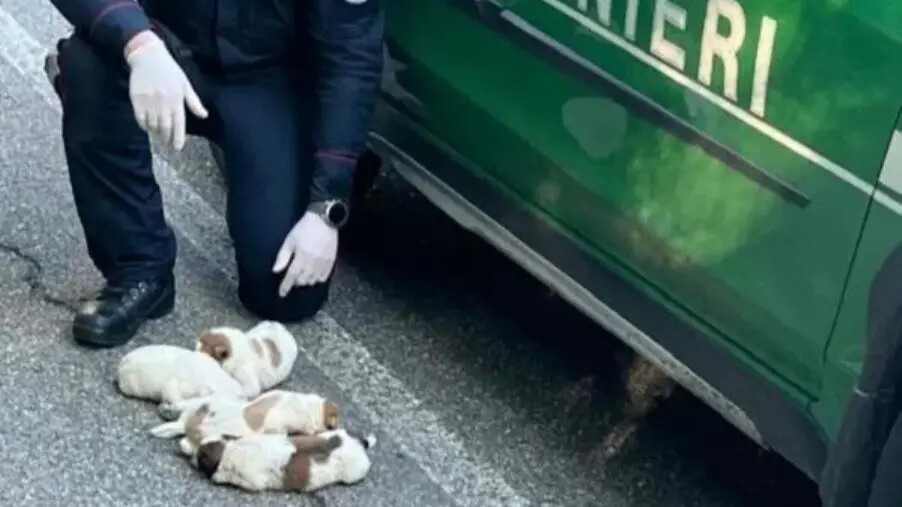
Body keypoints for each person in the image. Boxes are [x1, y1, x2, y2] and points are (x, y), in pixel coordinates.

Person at [46, 0, 384, 348]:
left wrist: (326, 208)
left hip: (268, 80)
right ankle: (139, 269)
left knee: (288, 295)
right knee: (89, 64)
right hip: (163, 50)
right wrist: (137, 42)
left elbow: (352, 58)